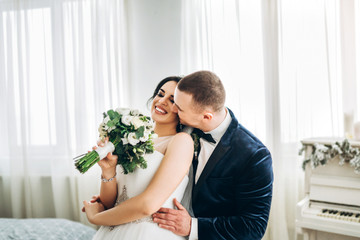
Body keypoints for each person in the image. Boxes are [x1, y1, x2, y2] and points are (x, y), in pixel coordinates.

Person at [152, 70, 274, 240]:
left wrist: (192, 226)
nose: (173, 109)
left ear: (206, 117)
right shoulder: (182, 125)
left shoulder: (253, 156)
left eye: (178, 107)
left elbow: (253, 227)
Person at [82, 76, 194, 240]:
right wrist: (108, 171)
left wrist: (95, 218)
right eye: (160, 94)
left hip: (149, 233)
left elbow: (148, 205)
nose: (162, 101)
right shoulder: (132, 139)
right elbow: (110, 203)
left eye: (172, 100)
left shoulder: (181, 141)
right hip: (114, 232)